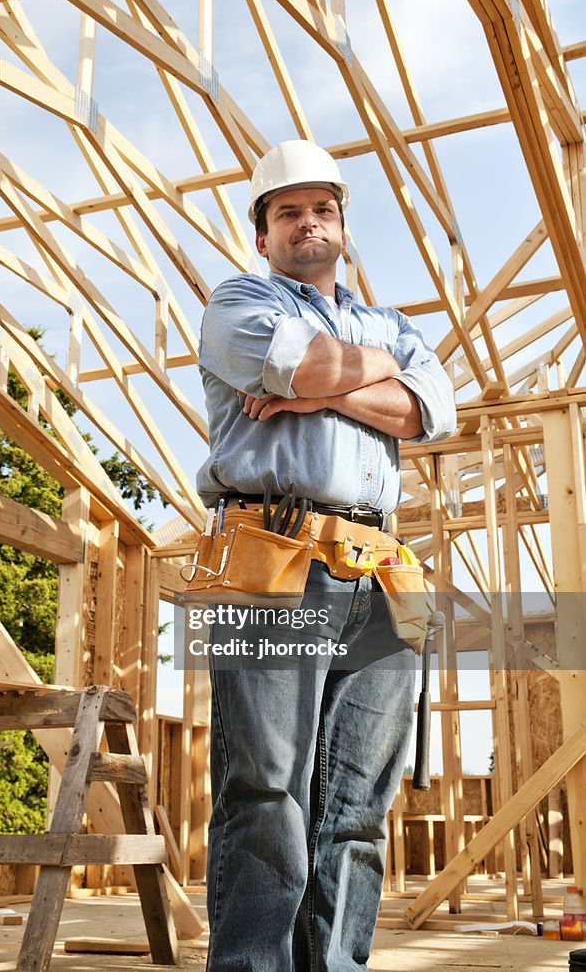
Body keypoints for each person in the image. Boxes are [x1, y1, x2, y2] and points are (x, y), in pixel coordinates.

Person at [194, 140, 456, 972]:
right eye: (287, 212)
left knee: (353, 806)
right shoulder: (236, 303)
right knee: (266, 788)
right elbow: (320, 368)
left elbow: (430, 413)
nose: (308, 222)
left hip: (378, 573)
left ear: (342, 225)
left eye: (322, 209)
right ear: (263, 235)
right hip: (271, 557)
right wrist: (369, 380)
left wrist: (324, 382)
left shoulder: (394, 326)